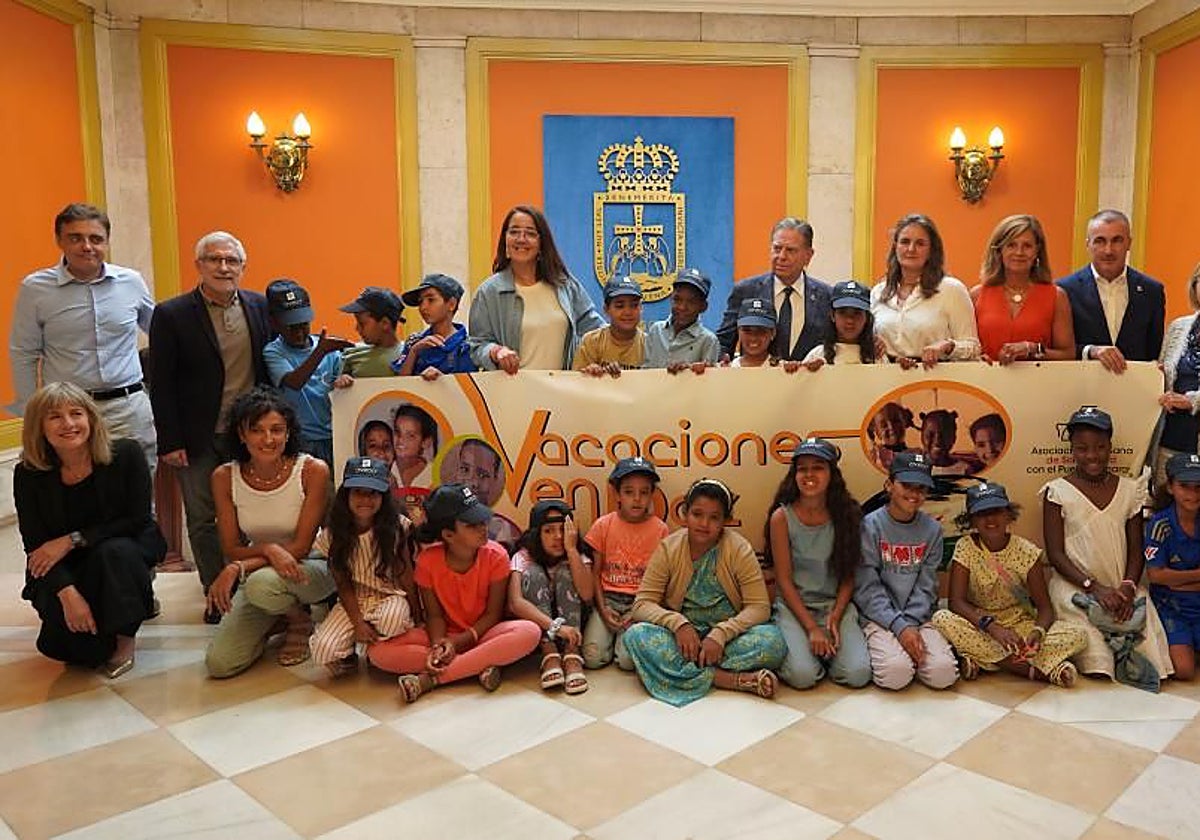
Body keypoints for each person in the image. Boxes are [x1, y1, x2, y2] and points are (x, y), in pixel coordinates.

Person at [148, 231, 272, 622]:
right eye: (214, 259)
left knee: (252, 513)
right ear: (198, 265)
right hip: (196, 436)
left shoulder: (259, 307)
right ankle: (215, 593)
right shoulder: (171, 315)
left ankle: (254, 589)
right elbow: (161, 383)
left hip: (248, 435)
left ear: (243, 267)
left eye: (231, 260)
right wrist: (170, 440)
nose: (223, 267)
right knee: (202, 518)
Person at [13, 383, 164, 677]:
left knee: (113, 552)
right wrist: (68, 595)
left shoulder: (126, 454)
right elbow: (36, 545)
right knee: (74, 652)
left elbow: (136, 519)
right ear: (38, 427)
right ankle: (94, 627)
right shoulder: (28, 474)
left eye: (76, 413)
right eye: (55, 417)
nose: (69, 424)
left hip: (122, 548)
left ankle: (124, 640)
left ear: (91, 419)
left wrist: (72, 540)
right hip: (67, 564)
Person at [10, 203, 157, 469]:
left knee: (139, 496)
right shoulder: (35, 289)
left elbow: (162, 334)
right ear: (59, 241)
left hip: (128, 410)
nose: (87, 246)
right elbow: (24, 353)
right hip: (69, 416)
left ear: (107, 242)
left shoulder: (131, 282)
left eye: (96, 239)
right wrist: (32, 415)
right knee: (77, 495)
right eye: (75, 238)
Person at [367, 484, 541, 702]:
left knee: (529, 632)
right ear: (448, 534)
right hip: (446, 635)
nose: (483, 528)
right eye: (472, 525)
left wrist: (457, 644)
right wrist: (440, 644)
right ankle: (477, 665)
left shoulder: (496, 556)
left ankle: (431, 679)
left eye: (482, 520)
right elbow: (434, 616)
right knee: (377, 652)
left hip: (484, 633)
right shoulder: (427, 562)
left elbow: (492, 615)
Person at [204, 387, 334, 677]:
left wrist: (239, 566)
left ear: (288, 433)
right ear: (241, 434)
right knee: (220, 664)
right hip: (260, 573)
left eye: (277, 430)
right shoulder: (224, 477)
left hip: (313, 565)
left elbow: (300, 547)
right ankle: (281, 615)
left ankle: (300, 620)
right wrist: (266, 550)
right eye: (257, 430)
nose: (268, 439)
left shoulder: (313, 470)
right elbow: (231, 547)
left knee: (260, 585)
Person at [623, 478, 787, 705]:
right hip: (683, 641)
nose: (703, 523)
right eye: (697, 514)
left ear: (725, 522)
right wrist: (678, 624)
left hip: (727, 640)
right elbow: (641, 605)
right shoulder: (668, 548)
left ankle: (684, 671)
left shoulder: (739, 549)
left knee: (774, 643)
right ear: (685, 514)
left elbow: (759, 607)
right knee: (636, 635)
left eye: (714, 517)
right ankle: (731, 680)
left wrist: (721, 634)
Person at [1041, 406, 1172, 681]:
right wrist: (1094, 588)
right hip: (1076, 586)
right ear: (1072, 450)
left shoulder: (1129, 490)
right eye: (1082, 448)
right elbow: (1055, 554)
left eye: (1100, 447)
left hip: (1122, 584)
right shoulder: (1057, 492)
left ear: (1110, 446)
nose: (1092, 456)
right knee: (1099, 663)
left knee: (1154, 658)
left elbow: (1136, 550)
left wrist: (1126, 588)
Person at [932, 483, 1086, 686]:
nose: (990, 519)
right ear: (971, 520)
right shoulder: (965, 547)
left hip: (1019, 626)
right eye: (982, 514)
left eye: (996, 511)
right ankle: (1038, 671)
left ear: (1008, 514)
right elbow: (957, 603)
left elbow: (1045, 608)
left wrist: (1037, 634)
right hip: (979, 623)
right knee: (941, 618)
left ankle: (985, 660)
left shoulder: (1027, 551)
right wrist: (992, 628)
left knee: (1079, 635)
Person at [767, 438, 871, 690]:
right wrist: (812, 628)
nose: (809, 474)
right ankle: (811, 651)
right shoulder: (781, 517)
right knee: (803, 677)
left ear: (832, 474)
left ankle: (827, 652)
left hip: (835, 606)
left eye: (818, 467)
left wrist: (834, 618)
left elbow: (848, 575)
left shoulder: (847, 515)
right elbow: (783, 580)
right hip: (795, 607)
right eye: (802, 468)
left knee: (858, 674)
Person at [854, 452, 958, 690]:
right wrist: (899, 627)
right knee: (896, 675)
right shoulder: (869, 526)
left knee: (943, 675)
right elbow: (867, 588)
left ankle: (915, 654)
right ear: (889, 485)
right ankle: (898, 656)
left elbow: (927, 585)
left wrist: (909, 625)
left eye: (921, 488)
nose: (914, 494)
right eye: (907, 485)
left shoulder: (932, 530)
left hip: (918, 617)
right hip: (878, 618)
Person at [309, 458, 420, 676]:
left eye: (373, 493)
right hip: (354, 599)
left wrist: (418, 615)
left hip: (390, 595)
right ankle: (350, 650)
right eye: (358, 492)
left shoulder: (397, 526)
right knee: (324, 651)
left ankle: (375, 651)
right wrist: (358, 622)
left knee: (393, 622)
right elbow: (342, 581)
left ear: (383, 496)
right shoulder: (332, 533)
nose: (365, 499)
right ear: (346, 495)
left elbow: (406, 573)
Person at [468, 205, 604, 372]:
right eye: (514, 232)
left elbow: (596, 331)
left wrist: (596, 360)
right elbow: (476, 345)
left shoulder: (565, 285)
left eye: (530, 233)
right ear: (505, 239)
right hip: (512, 393)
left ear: (542, 243)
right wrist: (496, 352)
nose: (521, 239)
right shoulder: (488, 292)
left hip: (563, 393)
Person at [582, 457, 670, 669]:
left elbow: (663, 580)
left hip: (640, 603)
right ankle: (608, 640)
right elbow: (595, 573)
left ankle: (621, 644)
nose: (637, 499)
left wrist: (638, 612)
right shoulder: (603, 526)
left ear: (652, 494)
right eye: (629, 492)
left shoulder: (661, 530)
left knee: (628, 662)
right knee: (592, 658)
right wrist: (602, 609)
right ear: (617, 494)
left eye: (644, 492)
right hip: (608, 601)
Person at [1057, 209, 1165, 372]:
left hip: (1133, 390)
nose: (1108, 250)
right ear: (1088, 244)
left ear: (1129, 243)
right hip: (1081, 391)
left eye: (1117, 240)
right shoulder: (1064, 290)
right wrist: (1090, 351)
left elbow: (1153, 351)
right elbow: (1059, 351)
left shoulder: (1152, 291)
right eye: (1100, 241)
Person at [262, 278, 352, 466]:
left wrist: (344, 378)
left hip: (334, 437)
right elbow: (295, 382)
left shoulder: (330, 351)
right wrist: (321, 351)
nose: (299, 332)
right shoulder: (274, 352)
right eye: (291, 326)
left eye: (303, 324)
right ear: (274, 323)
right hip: (300, 440)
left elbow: (340, 389)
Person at [871, 213, 980, 366]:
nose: (911, 249)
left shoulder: (952, 290)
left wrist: (947, 346)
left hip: (934, 378)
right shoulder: (878, 292)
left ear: (932, 250)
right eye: (905, 242)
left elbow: (973, 348)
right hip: (887, 382)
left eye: (920, 243)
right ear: (895, 246)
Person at [508, 500, 594, 694]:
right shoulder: (523, 556)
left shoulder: (577, 554)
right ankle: (550, 654)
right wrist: (555, 628)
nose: (557, 537)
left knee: (566, 571)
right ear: (537, 534)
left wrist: (571, 550)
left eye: (563, 530)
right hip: (543, 628)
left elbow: (588, 594)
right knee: (533, 573)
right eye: (548, 531)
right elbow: (515, 602)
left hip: (575, 626)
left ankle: (572, 654)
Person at [716, 218, 831, 362]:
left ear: (808, 255)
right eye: (777, 248)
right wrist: (722, 359)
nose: (781, 257)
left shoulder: (826, 296)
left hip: (810, 382)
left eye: (790, 250)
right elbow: (724, 343)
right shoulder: (746, 291)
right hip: (757, 381)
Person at [972, 214, 1075, 364]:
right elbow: (968, 348)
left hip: (1039, 384)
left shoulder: (1056, 296)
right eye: (1011, 245)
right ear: (999, 250)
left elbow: (1068, 354)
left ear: (1037, 251)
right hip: (984, 384)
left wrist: (1033, 349)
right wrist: (976, 359)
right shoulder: (976, 295)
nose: (1019, 252)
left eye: (1027, 246)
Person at [1145, 453, 1200, 681]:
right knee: (1184, 671)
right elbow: (1156, 575)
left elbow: (1167, 575)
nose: (1192, 494)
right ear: (1170, 487)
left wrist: (1178, 580)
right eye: (1184, 486)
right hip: (1172, 605)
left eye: (1198, 487)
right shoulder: (1161, 524)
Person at [1152, 261, 1200, 484]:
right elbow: (1164, 376)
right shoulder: (1178, 327)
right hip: (1170, 438)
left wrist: (1192, 401)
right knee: (1165, 507)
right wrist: (1155, 375)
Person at [394, 274, 476, 377]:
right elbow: (400, 383)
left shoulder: (467, 345)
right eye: (420, 302)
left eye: (431, 300)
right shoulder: (414, 341)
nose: (423, 307)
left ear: (451, 304)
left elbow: (470, 386)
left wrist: (441, 381)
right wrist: (414, 351)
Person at [643, 267, 720, 371]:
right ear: (671, 298)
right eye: (677, 299)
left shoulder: (708, 341)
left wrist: (689, 371)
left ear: (703, 307)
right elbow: (644, 372)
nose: (682, 307)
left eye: (691, 302)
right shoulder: (656, 330)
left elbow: (708, 380)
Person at [452, 437, 522, 551]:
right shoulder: (441, 520)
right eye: (465, 469)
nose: (472, 482)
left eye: (482, 475)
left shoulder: (502, 530)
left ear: (494, 480)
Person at [802, 281, 886, 368]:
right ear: (832, 316)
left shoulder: (877, 357)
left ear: (867, 317)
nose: (850, 320)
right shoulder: (817, 355)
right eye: (842, 312)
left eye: (857, 313)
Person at [574, 276, 646, 375]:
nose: (628, 312)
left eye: (634, 305)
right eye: (619, 306)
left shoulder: (649, 345)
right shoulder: (591, 342)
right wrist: (591, 373)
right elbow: (575, 383)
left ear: (641, 308)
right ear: (606, 309)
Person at [339, 287, 406, 378]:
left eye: (362, 324)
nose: (357, 329)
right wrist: (342, 380)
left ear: (384, 323)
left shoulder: (408, 354)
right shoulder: (351, 354)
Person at [391, 404, 437, 508]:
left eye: (410, 435)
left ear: (426, 442)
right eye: (397, 432)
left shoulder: (435, 477)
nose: (400, 440)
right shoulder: (386, 469)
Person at [919, 409, 974, 475]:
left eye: (944, 434)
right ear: (921, 436)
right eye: (930, 435)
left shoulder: (964, 469)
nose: (937, 441)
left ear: (953, 437)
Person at [728, 299, 778, 368]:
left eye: (761, 331)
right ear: (738, 331)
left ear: (773, 333)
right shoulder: (728, 368)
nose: (753, 337)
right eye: (747, 330)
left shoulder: (782, 368)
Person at [867, 401, 915, 473]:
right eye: (884, 425)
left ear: (905, 422)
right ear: (877, 432)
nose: (891, 427)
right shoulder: (874, 457)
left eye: (896, 421)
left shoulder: (916, 454)